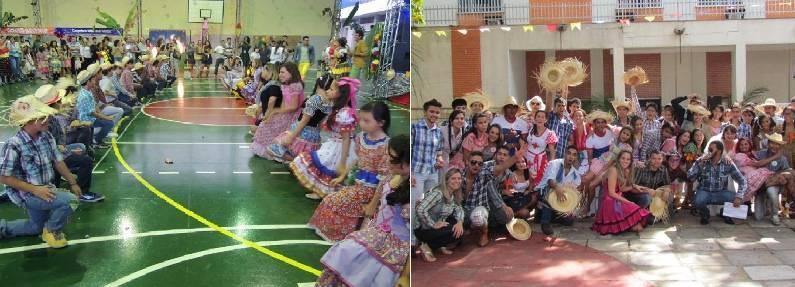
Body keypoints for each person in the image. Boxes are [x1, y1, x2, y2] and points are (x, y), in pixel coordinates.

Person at [316, 134, 410, 287]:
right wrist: (371, 207)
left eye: (392, 158)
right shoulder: (391, 177)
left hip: (394, 249)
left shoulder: (410, 193)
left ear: (406, 162)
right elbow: (379, 197)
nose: (387, 161)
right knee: (346, 253)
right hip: (375, 235)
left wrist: (406, 276)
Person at [0, 95, 82, 248]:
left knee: (34, 228)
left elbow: (58, 161)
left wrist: (73, 182)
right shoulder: (14, 144)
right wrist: (35, 190)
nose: (48, 119)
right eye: (43, 117)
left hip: (44, 190)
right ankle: (51, 230)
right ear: (29, 121)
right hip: (29, 194)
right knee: (70, 201)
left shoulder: (46, 136)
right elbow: (4, 177)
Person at [307, 102, 391, 241]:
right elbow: (357, 161)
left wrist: (373, 204)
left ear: (381, 122)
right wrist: (343, 176)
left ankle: (340, 234)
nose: (362, 124)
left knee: (334, 201)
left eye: (366, 121)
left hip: (372, 191)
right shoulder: (361, 137)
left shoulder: (386, 145)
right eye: (361, 120)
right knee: (330, 199)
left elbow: (384, 178)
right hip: (358, 185)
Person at [289, 77, 359, 198]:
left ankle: (325, 192)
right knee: (327, 167)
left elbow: (346, 138)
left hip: (340, 147)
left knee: (327, 165)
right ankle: (323, 191)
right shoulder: (337, 109)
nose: (327, 91)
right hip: (335, 143)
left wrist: (342, 162)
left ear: (340, 94)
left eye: (331, 89)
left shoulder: (344, 114)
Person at [267, 74, 344, 163]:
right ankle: (300, 163)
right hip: (314, 135)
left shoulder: (316, 99)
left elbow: (304, 121)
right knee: (302, 156)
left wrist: (291, 136)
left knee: (273, 149)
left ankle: (298, 163)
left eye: (331, 89)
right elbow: (320, 123)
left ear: (318, 86)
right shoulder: (330, 103)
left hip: (302, 132)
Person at [462, 143, 526, 247]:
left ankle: (484, 229)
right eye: (473, 162)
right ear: (467, 162)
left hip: (484, 205)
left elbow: (502, 168)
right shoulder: (461, 175)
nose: (476, 165)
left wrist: (515, 158)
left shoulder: (485, 171)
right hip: (467, 208)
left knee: (503, 215)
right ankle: (475, 226)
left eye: (505, 155)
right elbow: (491, 189)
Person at [251, 63, 304, 159]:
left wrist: (276, 111)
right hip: (286, 113)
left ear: (291, 73)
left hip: (293, 116)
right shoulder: (284, 86)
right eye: (279, 72)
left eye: (283, 72)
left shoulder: (296, 86)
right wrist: (275, 113)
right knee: (266, 123)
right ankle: (271, 149)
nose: (280, 74)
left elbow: (294, 106)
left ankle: (277, 151)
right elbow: (283, 104)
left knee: (268, 125)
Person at [687, 141, 747, 225]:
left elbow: (742, 180)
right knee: (698, 201)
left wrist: (739, 196)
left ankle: (726, 213)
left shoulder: (727, 163)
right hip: (705, 191)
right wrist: (700, 163)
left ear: (719, 151)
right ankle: (705, 214)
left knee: (738, 199)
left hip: (721, 193)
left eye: (711, 149)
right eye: (708, 149)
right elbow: (690, 177)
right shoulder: (701, 161)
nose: (709, 151)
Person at [592, 150, 651, 235]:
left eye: (628, 159)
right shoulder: (613, 170)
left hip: (618, 197)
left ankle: (629, 225)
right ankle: (628, 225)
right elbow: (611, 193)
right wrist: (628, 202)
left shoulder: (625, 170)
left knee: (641, 223)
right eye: (623, 158)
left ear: (631, 161)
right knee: (637, 217)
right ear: (618, 159)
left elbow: (622, 189)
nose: (625, 161)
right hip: (610, 201)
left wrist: (633, 186)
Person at [415, 168, 465, 262]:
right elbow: (420, 209)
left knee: (458, 229)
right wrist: (433, 224)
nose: (457, 181)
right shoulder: (438, 193)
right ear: (446, 180)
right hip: (424, 228)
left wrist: (460, 222)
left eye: (459, 178)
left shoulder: (453, 195)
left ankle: (438, 245)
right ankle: (425, 246)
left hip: (438, 225)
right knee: (452, 231)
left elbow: (460, 210)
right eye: (453, 178)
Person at [535, 146, 584, 235]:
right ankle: (545, 222)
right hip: (545, 192)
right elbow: (550, 181)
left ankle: (546, 213)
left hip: (560, 197)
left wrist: (570, 207)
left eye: (574, 155)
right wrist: (558, 188)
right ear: (564, 154)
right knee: (550, 190)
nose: (571, 157)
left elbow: (574, 191)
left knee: (569, 221)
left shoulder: (576, 174)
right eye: (569, 153)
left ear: (576, 158)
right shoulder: (555, 164)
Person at [411, 99, 444, 205]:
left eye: (437, 112)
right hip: (417, 171)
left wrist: (440, 160)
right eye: (432, 111)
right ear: (425, 112)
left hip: (433, 172)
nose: (434, 114)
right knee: (415, 202)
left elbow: (439, 151)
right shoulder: (415, 128)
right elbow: (409, 150)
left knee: (430, 203)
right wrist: (410, 174)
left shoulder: (438, 132)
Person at [75, 64, 115, 149]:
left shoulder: (87, 92)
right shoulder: (85, 95)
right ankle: (97, 140)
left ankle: (94, 141)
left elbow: (95, 106)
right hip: (86, 120)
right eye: (92, 79)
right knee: (109, 123)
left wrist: (102, 116)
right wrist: (106, 117)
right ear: (88, 82)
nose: (94, 81)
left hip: (91, 118)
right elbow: (92, 113)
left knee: (106, 122)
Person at [753, 133, 789, 225]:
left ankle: (775, 215)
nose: (774, 146)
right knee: (758, 217)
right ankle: (766, 202)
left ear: (780, 146)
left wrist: (777, 176)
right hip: (760, 186)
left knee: (771, 192)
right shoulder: (761, 153)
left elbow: (787, 172)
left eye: (777, 144)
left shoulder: (783, 159)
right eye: (772, 143)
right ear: (768, 143)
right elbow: (755, 164)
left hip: (774, 185)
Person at [632, 151, 671, 223]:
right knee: (647, 197)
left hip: (653, 194)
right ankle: (638, 215)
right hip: (639, 195)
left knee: (669, 195)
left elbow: (668, 184)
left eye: (659, 159)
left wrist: (667, 190)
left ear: (662, 159)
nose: (657, 161)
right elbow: (632, 187)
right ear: (649, 159)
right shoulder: (641, 168)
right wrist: (646, 190)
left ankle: (658, 213)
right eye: (654, 158)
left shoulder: (663, 169)